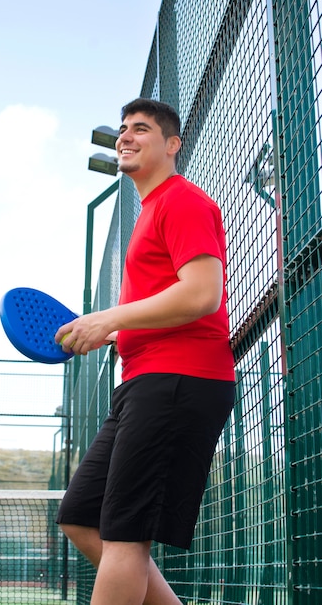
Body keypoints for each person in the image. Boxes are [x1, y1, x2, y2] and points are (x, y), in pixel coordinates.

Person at [55, 98, 235, 605]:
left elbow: (202, 294)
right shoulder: (151, 210)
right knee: (80, 516)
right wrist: (114, 332)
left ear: (173, 145)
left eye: (141, 130)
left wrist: (109, 317)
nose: (125, 138)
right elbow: (165, 302)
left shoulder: (183, 201)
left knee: (124, 536)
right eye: (122, 131)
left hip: (179, 382)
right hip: (144, 382)